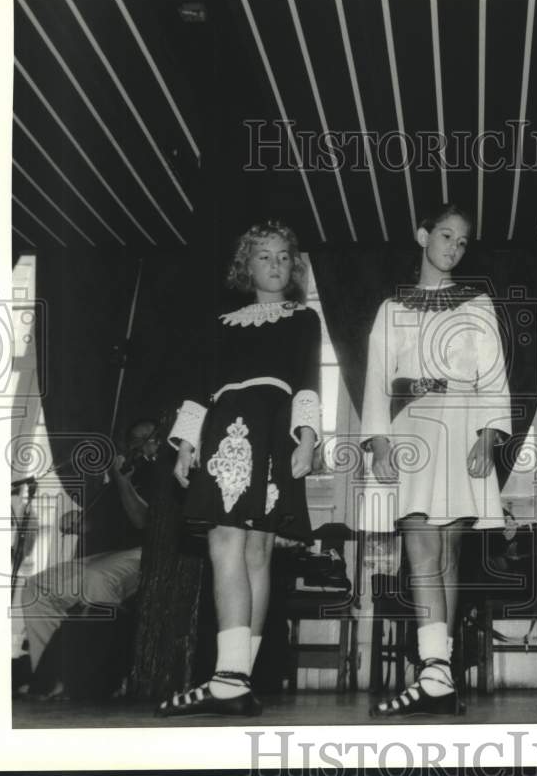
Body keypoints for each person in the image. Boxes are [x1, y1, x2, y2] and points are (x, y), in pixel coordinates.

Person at [156, 220, 322, 717]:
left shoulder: (302, 317)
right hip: (226, 425)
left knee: (256, 548)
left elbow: (309, 380)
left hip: (274, 428)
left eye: (284, 256)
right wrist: (186, 444)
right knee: (230, 541)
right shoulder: (221, 324)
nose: (276, 265)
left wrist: (309, 438)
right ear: (245, 265)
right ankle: (236, 679)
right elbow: (200, 388)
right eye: (264, 256)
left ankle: (230, 679)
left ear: (294, 266)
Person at [361, 204, 511, 717]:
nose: (453, 247)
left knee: (448, 556)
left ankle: (436, 674)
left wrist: (489, 436)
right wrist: (378, 441)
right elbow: (378, 377)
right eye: (446, 235)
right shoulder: (391, 307)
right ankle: (434, 672)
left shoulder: (478, 302)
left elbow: (493, 376)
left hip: (462, 426)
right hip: (411, 430)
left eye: (463, 241)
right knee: (422, 548)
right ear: (423, 235)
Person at [20, 419, 163, 698]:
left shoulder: (164, 474)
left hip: (153, 555)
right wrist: (79, 522)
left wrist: (122, 482)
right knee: (37, 588)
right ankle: (50, 680)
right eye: (136, 440)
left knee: (97, 579)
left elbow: (144, 522)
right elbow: (108, 525)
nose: (143, 444)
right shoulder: (129, 474)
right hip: (113, 554)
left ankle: (100, 679)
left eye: (151, 437)